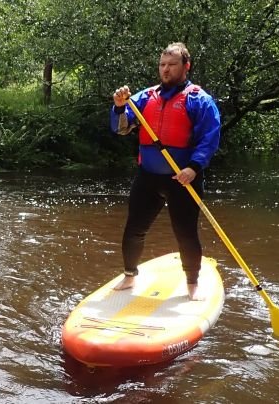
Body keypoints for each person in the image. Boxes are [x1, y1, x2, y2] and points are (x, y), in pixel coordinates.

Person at [110, 42, 220, 300]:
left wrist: (194, 168)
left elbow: (209, 137)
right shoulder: (146, 97)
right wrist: (118, 106)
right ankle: (129, 276)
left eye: (172, 65)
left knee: (186, 233)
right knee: (134, 228)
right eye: (162, 65)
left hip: (182, 178)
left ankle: (192, 283)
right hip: (148, 177)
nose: (166, 70)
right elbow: (121, 127)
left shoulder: (199, 99)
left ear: (186, 66)